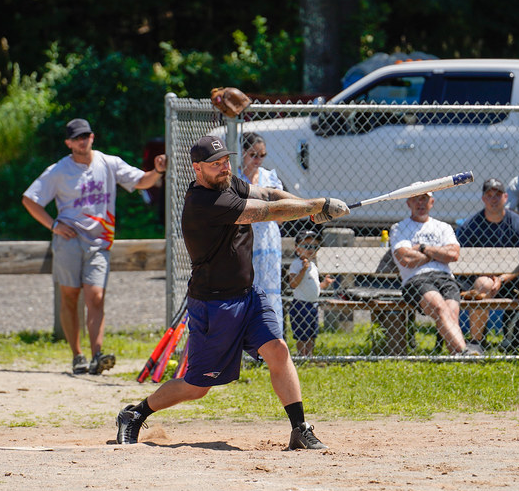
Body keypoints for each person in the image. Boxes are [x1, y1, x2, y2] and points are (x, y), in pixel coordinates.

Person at [116, 135, 349, 448]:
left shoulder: (226, 184)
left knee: (278, 350)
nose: (224, 167)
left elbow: (267, 191)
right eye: (216, 164)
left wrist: (308, 208)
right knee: (197, 386)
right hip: (214, 305)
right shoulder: (206, 202)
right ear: (197, 169)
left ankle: (300, 429)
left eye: (226, 160)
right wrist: (313, 206)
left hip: (248, 295)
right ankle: (136, 414)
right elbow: (266, 210)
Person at [22, 118, 166, 375]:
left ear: (92, 137)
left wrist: (157, 171)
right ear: (68, 143)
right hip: (68, 240)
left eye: (86, 136)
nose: (82, 141)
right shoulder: (58, 170)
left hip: (100, 241)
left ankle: (97, 354)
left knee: (96, 297)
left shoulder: (108, 163)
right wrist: (54, 225)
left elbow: (141, 181)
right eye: (77, 138)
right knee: (69, 296)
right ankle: (77, 354)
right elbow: (30, 199)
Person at [390, 192, 477, 355]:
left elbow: (453, 255)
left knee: (451, 313)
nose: (420, 203)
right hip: (416, 279)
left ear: (432, 202)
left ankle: (458, 358)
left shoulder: (443, 227)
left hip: (445, 278)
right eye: (415, 199)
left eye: (424, 198)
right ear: (408, 203)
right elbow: (405, 258)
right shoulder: (399, 228)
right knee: (439, 308)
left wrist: (423, 248)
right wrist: (438, 254)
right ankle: (464, 352)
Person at [455, 178, 519, 350]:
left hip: (512, 279)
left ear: (505, 197)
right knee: (483, 284)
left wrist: (502, 278)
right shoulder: (472, 225)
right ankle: (477, 343)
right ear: (483, 199)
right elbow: (462, 259)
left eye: (497, 195)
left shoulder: (517, 224)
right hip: (481, 278)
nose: (493, 199)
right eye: (489, 195)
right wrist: (487, 275)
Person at [239, 132, 284, 326]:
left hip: (268, 237)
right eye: (253, 155)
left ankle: (271, 335)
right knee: (246, 286)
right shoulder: (236, 179)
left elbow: (282, 214)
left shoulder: (269, 178)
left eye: (262, 155)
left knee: (270, 287)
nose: (258, 160)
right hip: (244, 237)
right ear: (242, 153)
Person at [287, 228, 335, 356]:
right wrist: (302, 270)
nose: (310, 249)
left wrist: (324, 283)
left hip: (313, 305)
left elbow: (316, 287)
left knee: (311, 334)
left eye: (314, 246)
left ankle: (309, 355)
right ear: (297, 248)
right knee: (301, 335)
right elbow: (293, 284)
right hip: (300, 305)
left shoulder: (314, 266)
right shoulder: (296, 265)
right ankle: (301, 355)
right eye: (306, 246)